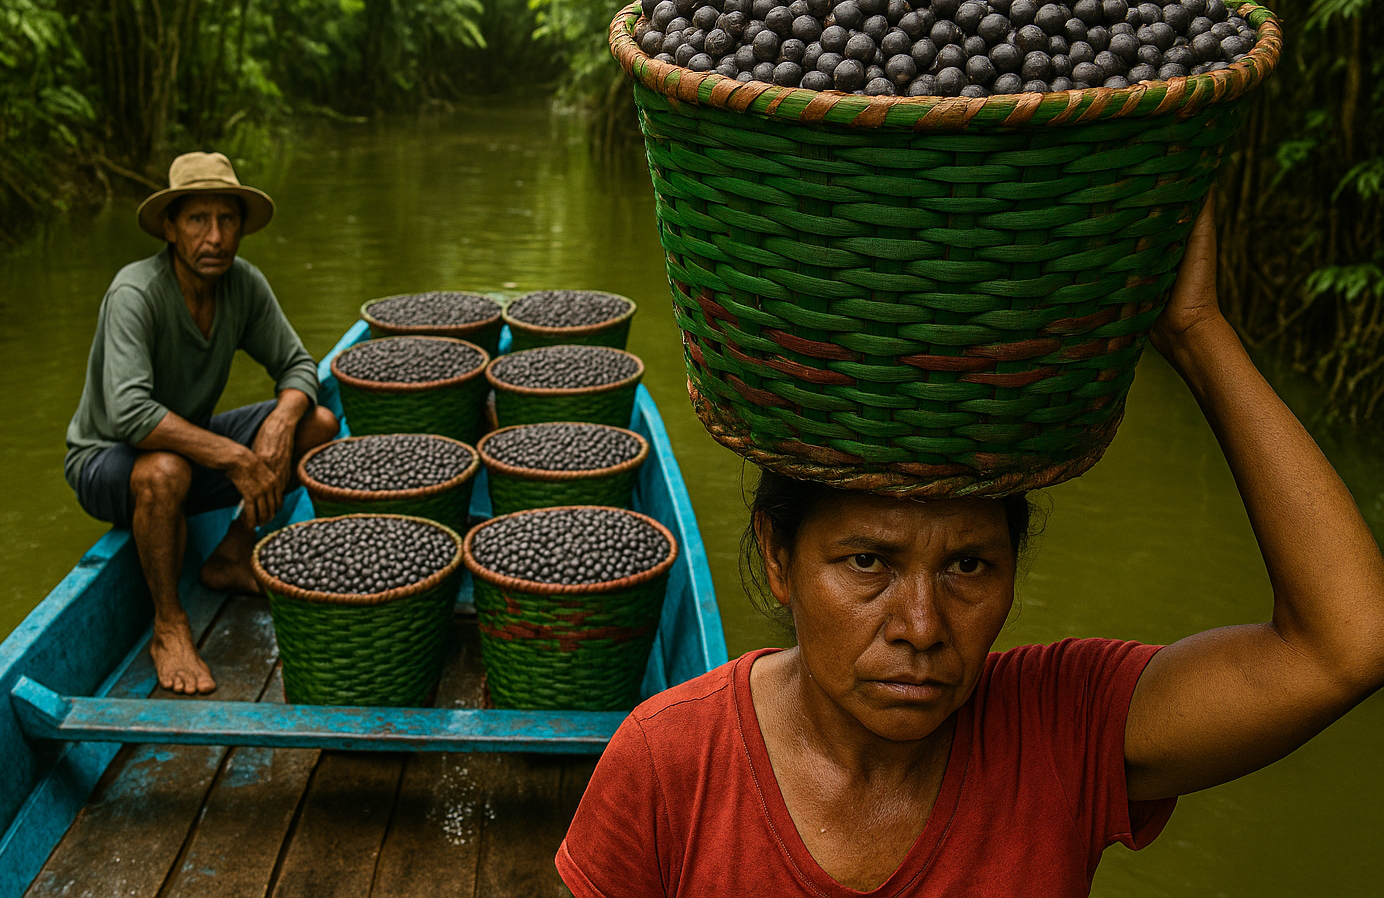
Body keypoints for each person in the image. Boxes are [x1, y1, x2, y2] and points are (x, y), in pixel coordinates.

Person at [556, 199, 1384, 897]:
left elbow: (1348, 643)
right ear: (779, 557)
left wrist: (1198, 333)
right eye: (868, 562)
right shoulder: (670, 764)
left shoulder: (1063, 731)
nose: (921, 627)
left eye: (968, 566)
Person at [64, 152, 338, 695]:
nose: (215, 237)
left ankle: (233, 552)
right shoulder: (135, 293)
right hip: (107, 459)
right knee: (165, 471)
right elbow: (130, 415)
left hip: (187, 454)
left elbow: (298, 366)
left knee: (318, 424)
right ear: (170, 228)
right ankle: (169, 626)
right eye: (197, 220)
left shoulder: (244, 285)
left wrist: (281, 423)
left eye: (226, 220)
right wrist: (236, 457)